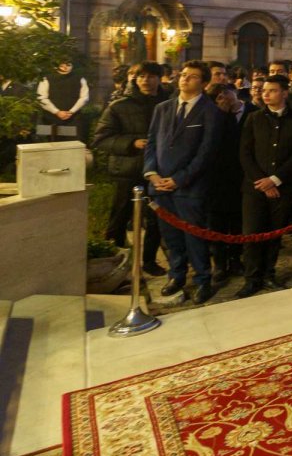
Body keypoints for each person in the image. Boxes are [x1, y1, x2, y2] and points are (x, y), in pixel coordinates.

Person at [143, 60, 222, 303]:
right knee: (171, 237)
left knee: (194, 236)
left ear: (204, 83)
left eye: (193, 76)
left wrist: (179, 179)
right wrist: (151, 173)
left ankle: (202, 279)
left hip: (190, 186)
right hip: (160, 185)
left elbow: (206, 153)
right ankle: (176, 275)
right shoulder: (163, 108)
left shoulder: (210, 111)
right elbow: (152, 143)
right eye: (184, 74)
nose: (185, 79)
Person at [92, 61, 169, 275]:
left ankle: (150, 261)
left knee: (155, 219)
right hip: (127, 170)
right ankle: (114, 262)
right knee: (120, 216)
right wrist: (132, 143)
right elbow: (101, 139)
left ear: (159, 79)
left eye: (151, 76)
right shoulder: (119, 106)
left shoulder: (168, 104)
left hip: (158, 170)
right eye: (141, 76)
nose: (146, 80)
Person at [236, 75, 292, 298]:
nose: (265, 94)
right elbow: (245, 153)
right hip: (254, 187)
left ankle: (268, 273)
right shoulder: (254, 118)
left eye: (272, 90)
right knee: (252, 233)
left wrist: (276, 179)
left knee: (274, 233)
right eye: (264, 91)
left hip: (282, 187)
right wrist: (263, 181)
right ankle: (252, 278)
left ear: (284, 93)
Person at [207, 83, 255, 283]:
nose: (224, 98)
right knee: (216, 224)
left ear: (234, 92)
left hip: (241, 176)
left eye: (226, 93)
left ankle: (235, 259)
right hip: (216, 179)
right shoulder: (212, 116)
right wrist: (221, 115)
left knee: (237, 222)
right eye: (218, 96)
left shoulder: (252, 112)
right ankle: (219, 263)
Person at [36, 60, 89, 140]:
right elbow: (41, 98)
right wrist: (56, 112)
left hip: (73, 119)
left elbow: (84, 97)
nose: (65, 67)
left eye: (68, 64)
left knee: (74, 144)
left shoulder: (80, 79)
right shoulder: (46, 78)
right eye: (62, 64)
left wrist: (71, 111)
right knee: (50, 144)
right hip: (49, 119)